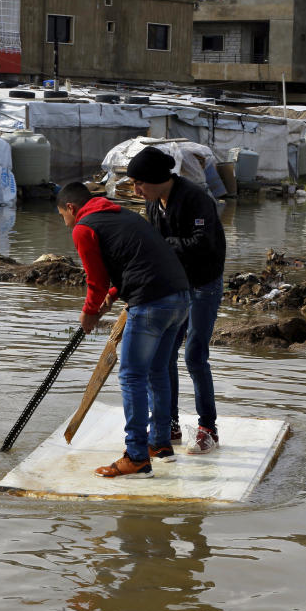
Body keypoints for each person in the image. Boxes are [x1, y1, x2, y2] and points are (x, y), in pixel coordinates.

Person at [57, 181, 190, 478]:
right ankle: (160, 444)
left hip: (151, 302)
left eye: (62, 216)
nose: (65, 223)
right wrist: (115, 293)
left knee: (131, 376)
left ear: (71, 208)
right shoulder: (123, 214)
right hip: (181, 298)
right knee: (157, 370)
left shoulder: (83, 227)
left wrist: (89, 312)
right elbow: (138, 259)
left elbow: (95, 280)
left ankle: (137, 456)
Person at [127, 147, 226, 455]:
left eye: (140, 183)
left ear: (158, 179)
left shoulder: (195, 198)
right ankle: (169, 422)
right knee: (165, 357)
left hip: (203, 285)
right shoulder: (154, 204)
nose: (136, 190)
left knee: (195, 356)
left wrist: (164, 244)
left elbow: (203, 244)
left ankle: (208, 427)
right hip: (174, 287)